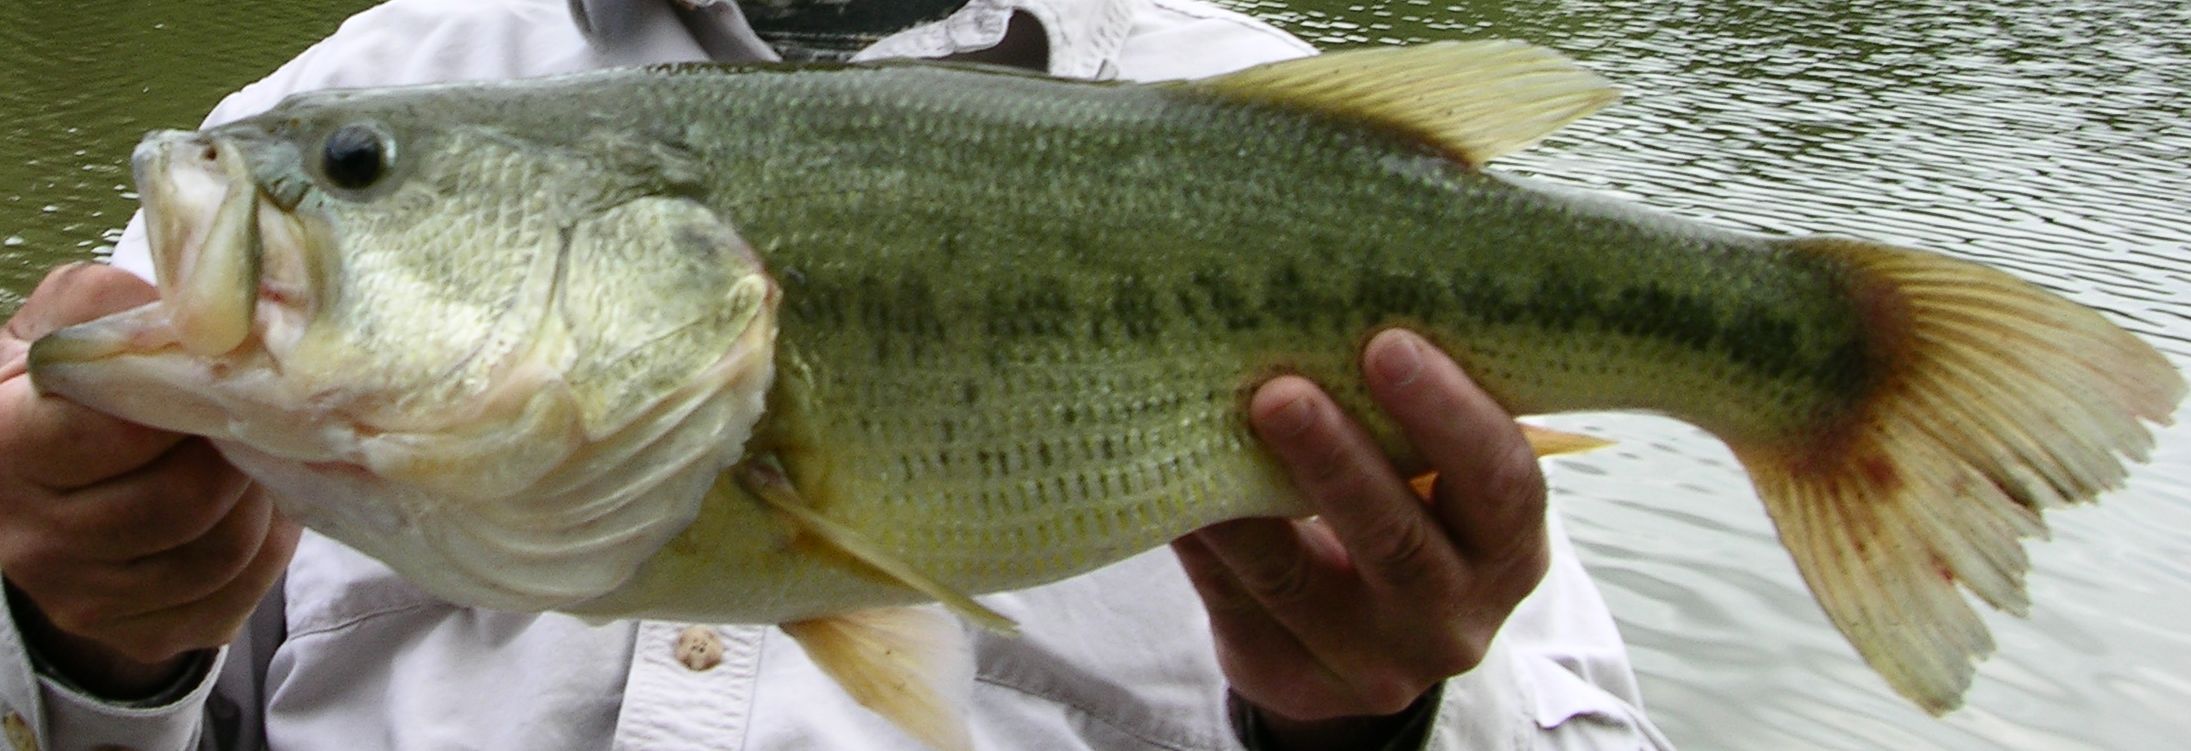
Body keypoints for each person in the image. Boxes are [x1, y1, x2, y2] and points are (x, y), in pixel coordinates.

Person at [0, 1, 1673, 748]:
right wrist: (80, 633)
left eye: (356, 175)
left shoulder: (1286, 147)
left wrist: (1379, 725)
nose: (327, 183)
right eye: (356, 173)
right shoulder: (349, 97)